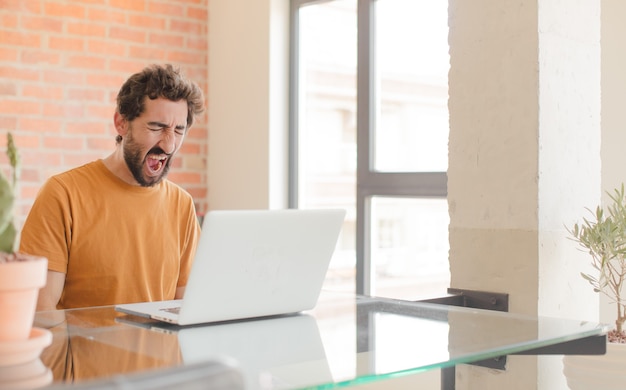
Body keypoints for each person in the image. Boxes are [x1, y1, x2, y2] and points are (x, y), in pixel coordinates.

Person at [20, 64, 205, 311]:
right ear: (121, 123)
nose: (169, 144)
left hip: (161, 351)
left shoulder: (182, 205)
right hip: (82, 351)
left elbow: (188, 306)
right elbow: (41, 310)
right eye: (156, 127)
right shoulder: (63, 194)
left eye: (178, 130)